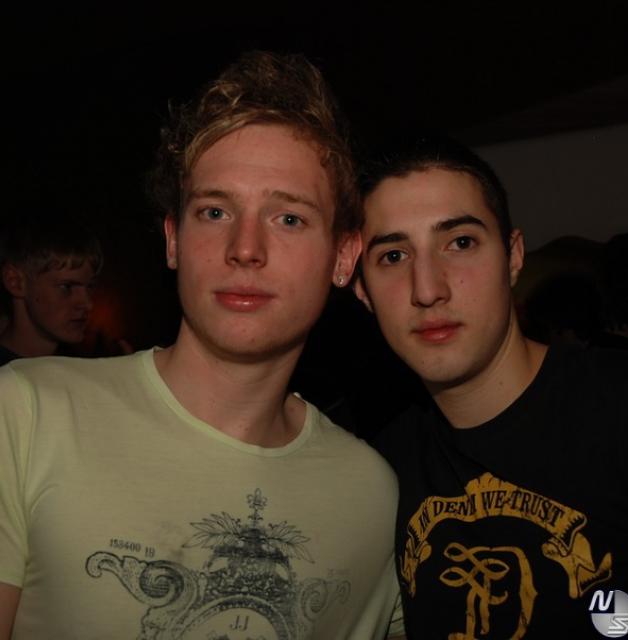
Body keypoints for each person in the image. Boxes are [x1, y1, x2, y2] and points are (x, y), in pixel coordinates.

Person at [0, 52, 404, 639]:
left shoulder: (371, 494)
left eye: (289, 219)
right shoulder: (28, 414)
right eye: (215, 211)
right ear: (173, 240)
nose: (245, 248)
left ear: (343, 257)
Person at [354, 136, 628, 638]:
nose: (428, 289)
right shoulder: (379, 473)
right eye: (394, 256)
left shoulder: (624, 406)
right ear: (363, 292)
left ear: (513, 256)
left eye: (460, 243)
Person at [0, 213, 101, 365]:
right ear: (15, 282)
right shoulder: (5, 374)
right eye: (66, 287)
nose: (88, 304)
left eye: (90, 287)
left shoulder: (80, 370)